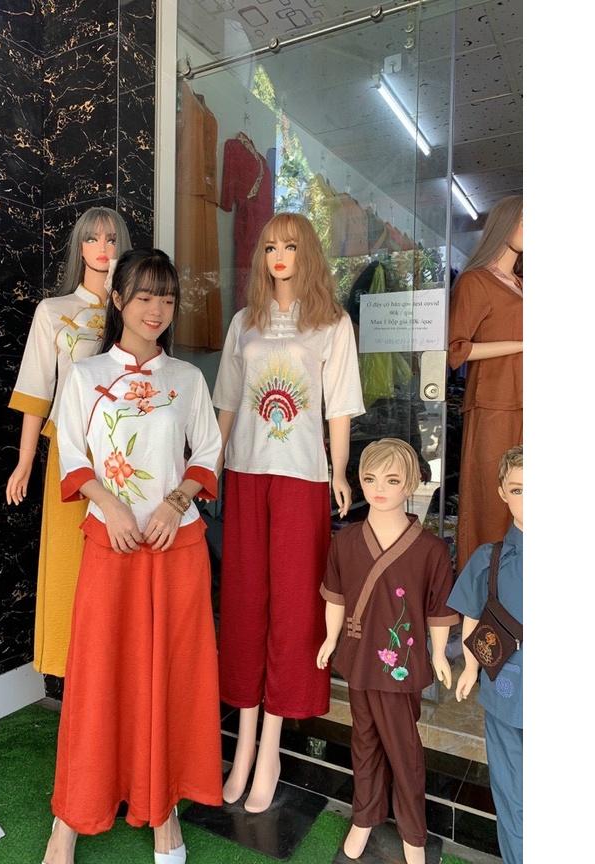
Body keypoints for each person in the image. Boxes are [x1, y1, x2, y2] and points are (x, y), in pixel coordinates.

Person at [42, 249, 223, 864]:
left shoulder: (187, 379)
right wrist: (110, 506)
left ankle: (163, 811)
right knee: (96, 677)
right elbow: (72, 456)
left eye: (167, 298)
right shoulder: (84, 376)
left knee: (172, 677)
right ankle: (71, 817)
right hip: (111, 546)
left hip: (177, 548)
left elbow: (208, 453)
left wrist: (175, 502)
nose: (156, 309)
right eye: (144, 296)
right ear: (117, 299)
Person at [213, 212, 365, 812]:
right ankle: (243, 741)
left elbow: (339, 405)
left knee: (296, 605)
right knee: (245, 600)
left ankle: (272, 746)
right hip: (246, 474)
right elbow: (227, 401)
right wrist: (209, 465)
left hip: (303, 477)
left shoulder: (331, 323)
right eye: (270, 246)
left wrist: (340, 470)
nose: (279, 255)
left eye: (291, 246)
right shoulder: (244, 322)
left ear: (309, 254)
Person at [317, 439, 458, 864]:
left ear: (411, 484)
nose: (379, 488)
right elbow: (336, 597)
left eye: (393, 480)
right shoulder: (345, 542)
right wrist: (330, 639)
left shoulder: (431, 549)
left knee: (403, 748)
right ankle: (365, 816)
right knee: (363, 740)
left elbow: (437, 610)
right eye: (370, 478)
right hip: (358, 656)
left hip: (402, 666)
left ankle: (413, 831)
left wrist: (438, 654)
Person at [6, 207, 131, 678]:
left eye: (112, 239)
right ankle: (68, 666)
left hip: (123, 447)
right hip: (68, 445)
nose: (102, 248)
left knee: (118, 553)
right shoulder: (53, 311)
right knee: (67, 557)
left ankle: (114, 664)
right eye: (92, 239)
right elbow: (37, 387)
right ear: (79, 246)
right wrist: (25, 461)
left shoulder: (134, 311)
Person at [448, 446, 523, 864]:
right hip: (507, 686)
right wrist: (470, 666)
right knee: (512, 793)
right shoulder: (488, 559)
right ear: (502, 493)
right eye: (519, 489)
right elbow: (474, 614)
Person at [448, 195, 522, 569]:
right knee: (492, 502)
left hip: (524, 400)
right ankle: (482, 587)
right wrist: (522, 344)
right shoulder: (475, 281)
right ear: (505, 225)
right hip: (493, 403)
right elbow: (456, 349)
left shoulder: (522, 284)